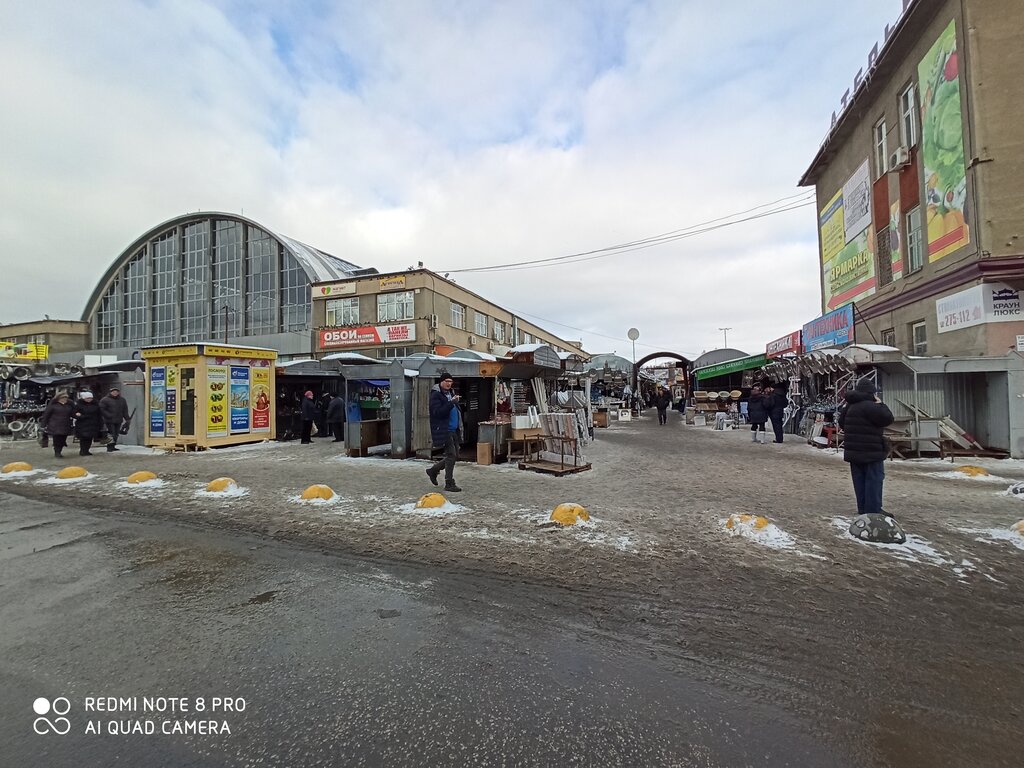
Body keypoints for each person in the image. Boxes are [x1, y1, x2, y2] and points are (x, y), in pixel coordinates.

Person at [838, 379, 895, 516]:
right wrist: (881, 404)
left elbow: (842, 423)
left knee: (859, 480)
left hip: (854, 450)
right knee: (874, 480)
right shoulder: (871, 406)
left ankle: (863, 508)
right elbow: (888, 419)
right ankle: (873, 510)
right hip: (871, 450)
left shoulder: (849, 406)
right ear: (871, 393)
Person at [426, 372, 463, 492]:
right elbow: (437, 412)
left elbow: (454, 409)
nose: (448, 384)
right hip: (444, 429)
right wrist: (451, 403)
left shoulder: (450, 393)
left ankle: (433, 470)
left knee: (454, 455)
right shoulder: (436, 395)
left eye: (450, 381)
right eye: (446, 381)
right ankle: (449, 482)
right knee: (451, 455)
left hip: (453, 429)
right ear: (440, 382)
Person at [40, 391, 75, 458]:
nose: (64, 399)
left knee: (63, 439)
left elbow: (72, 413)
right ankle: (57, 452)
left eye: (66, 398)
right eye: (63, 398)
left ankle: (60, 450)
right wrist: (43, 425)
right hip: (55, 425)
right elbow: (46, 415)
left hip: (66, 424)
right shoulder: (53, 405)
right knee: (57, 439)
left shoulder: (69, 405)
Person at [99, 387, 130, 452]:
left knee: (116, 434)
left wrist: (127, 418)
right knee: (111, 434)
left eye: (116, 392)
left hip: (118, 419)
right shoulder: (105, 400)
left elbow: (125, 410)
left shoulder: (122, 400)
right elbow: (102, 409)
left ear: (118, 392)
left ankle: (113, 446)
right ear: (110, 392)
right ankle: (109, 447)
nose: (115, 393)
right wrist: (108, 415)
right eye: (113, 392)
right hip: (109, 420)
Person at [73, 390, 102, 456]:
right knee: (83, 438)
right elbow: (74, 414)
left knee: (90, 438)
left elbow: (99, 414)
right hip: (82, 424)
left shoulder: (95, 404)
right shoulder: (79, 405)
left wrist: (100, 423)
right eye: (87, 398)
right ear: (84, 398)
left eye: (90, 398)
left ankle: (87, 450)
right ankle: (83, 450)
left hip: (93, 423)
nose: (89, 399)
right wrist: (80, 416)